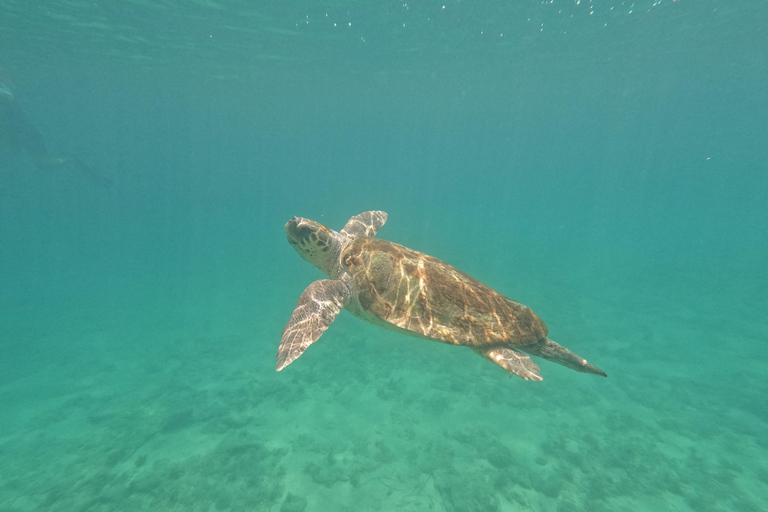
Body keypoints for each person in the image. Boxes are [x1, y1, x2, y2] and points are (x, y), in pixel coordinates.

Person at [0, 72, 109, 185]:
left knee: (43, 162)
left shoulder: (6, 99)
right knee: (41, 162)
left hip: (23, 133)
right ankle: (75, 163)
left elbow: (7, 98)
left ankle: (75, 162)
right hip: (21, 132)